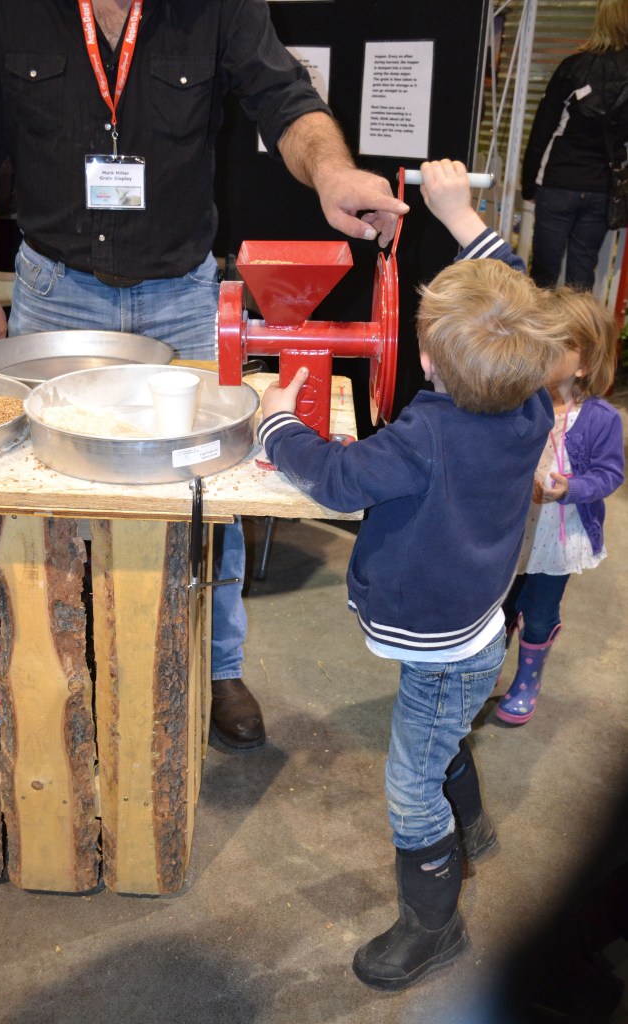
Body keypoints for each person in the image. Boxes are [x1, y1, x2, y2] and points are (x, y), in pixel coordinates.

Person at [0, 0, 406, 750]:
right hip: (56, 293)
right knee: (45, 494)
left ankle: (218, 664)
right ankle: (47, 662)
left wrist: (332, 173)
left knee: (207, 486)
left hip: (184, 300)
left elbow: (286, 100)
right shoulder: (3, 9)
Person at [255, 158, 567, 991]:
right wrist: (457, 213)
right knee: (446, 726)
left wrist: (275, 420)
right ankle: (475, 834)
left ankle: (434, 929)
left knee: (408, 786)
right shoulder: (529, 397)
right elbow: (517, 295)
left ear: (426, 364)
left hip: (439, 647)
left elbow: (333, 478)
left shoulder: (418, 441)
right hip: (475, 626)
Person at [496, 286, 625, 726]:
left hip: (558, 538)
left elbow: (611, 475)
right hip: (512, 530)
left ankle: (527, 680)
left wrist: (570, 488)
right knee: (499, 604)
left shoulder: (600, 419)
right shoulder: (518, 401)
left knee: (540, 611)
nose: (543, 351)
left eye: (558, 344)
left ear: (586, 362)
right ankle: (487, 670)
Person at [521, 0, 628, 289]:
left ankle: (537, 334)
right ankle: (578, 335)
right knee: (581, 274)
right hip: (600, 188)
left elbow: (542, 130)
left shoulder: (573, 67)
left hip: (559, 181)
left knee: (543, 275)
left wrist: (529, 185)